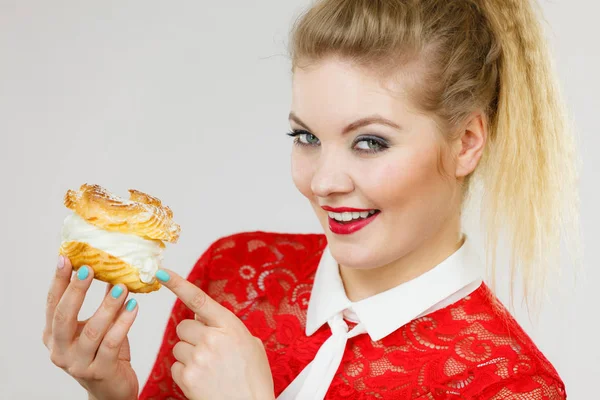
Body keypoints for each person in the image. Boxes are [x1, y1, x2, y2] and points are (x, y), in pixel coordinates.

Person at [43, 0, 580, 399]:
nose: (324, 181)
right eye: (306, 138)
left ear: (466, 143)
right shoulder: (234, 274)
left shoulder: (507, 383)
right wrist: (110, 393)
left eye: (370, 142)